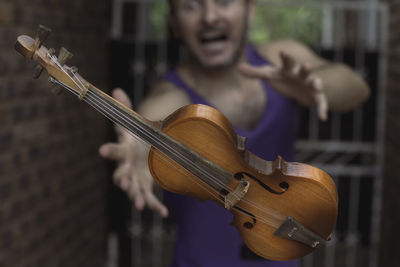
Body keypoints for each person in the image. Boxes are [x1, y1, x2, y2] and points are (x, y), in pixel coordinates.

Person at [100, 0, 370, 266]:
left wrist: (318, 85)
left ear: (250, 10)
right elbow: (150, 132)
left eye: (224, 1)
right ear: (175, 24)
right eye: (191, 6)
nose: (209, 16)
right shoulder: (172, 96)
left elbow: (356, 88)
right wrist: (138, 153)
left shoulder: (279, 59)